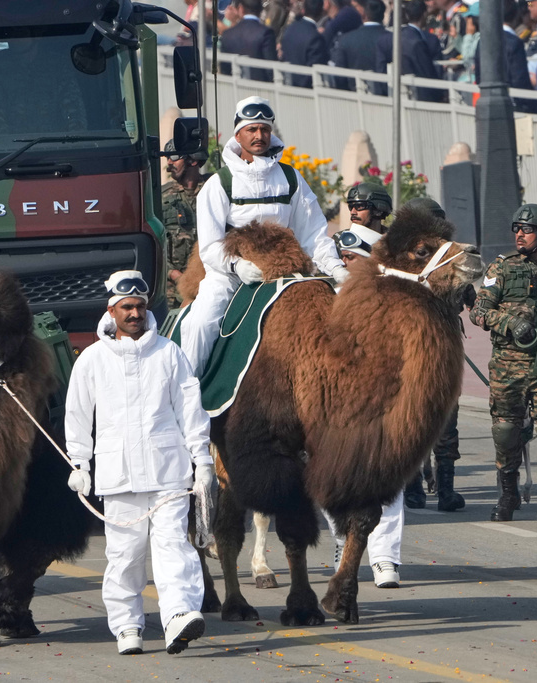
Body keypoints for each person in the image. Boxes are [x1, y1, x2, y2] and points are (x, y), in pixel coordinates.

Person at [64, 270, 215, 654]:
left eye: (140, 306)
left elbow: (190, 409)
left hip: (168, 473)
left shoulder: (169, 352)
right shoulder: (93, 360)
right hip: (119, 476)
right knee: (125, 555)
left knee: (172, 548)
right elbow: (77, 414)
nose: (135, 313)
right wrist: (79, 464)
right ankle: (127, 626)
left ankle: (178, 617)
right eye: (127, 307)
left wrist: (203, 460)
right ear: (111, 310)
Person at [181, 97, 347, 376]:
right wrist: (237, 266)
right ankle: (187, 391)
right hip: (230, 273)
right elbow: (209, 247)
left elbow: (314, 235)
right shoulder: (220, 183)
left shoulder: (291, 178)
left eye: (265, 129)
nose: (259, 136)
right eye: (252, 130)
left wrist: (336, 269)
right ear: (238, 134)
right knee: (199, 324)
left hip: (285, 269)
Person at [469, 204, 537, 525]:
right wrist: (509, 322)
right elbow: (479, 312)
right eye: (516, 228)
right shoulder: (500, 268)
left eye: (526, 229)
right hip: (508, 363)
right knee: (506, 429)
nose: (519, 234)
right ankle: (508, 494)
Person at [323, 224, 405, 587]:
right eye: (343, 256)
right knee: (335, 480)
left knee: (388, 481)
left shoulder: (394, 299)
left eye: (354, 257)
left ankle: (385, 557)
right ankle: (344, 544)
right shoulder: (325, 295)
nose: (346, 262)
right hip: (339, 402)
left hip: (383, 402)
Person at [398, 197, 468, 513]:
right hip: (413, 351)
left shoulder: (450, 261)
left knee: (442, 424)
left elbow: (474, 302)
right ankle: (419, 490)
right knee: (416, 422)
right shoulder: (403, 263)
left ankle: (442, 492)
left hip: (440, 352)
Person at [0, 32, 87, 135]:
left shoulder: (57, 65)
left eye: (20, 33)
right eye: (10, 33)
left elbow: (74, 112)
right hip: (13, 148)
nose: (13, 38)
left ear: (37, 35)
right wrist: (8, 146)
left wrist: (72, 143)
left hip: (55, 145)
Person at [162, 140, 211, 308]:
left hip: (210, 282)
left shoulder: (214, 191)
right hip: (173, 291)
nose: (169, 162)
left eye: (174, 157)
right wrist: (176, 276)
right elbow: (155, 243)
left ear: (193, 160)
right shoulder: (163, 197)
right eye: (167, 157)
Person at [375, 0, 445, 102]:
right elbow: (426, 72)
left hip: (396, 95)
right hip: (421, 98)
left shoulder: (397, 37)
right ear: (424, 14)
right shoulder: (416, 41)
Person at [331, 0, 388, 92]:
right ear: (382, 15)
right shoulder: (392, 39)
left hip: (353, 96)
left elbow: (339, 76)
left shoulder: (345, 40)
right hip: (386, 97)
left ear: (364, 14)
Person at [220, 0, 278, 82]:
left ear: (241, 8)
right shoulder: (266, 33)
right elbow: (271, 69)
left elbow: (224, 69)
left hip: (234, 87)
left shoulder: (227, 34)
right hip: (261, 89)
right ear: (261, 10)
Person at [280, 0, 330, 88]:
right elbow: (316, 67)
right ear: (321, 12)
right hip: (306, 91)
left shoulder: (290, 29)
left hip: (287, 84)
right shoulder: (316, 37)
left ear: (304, 10)